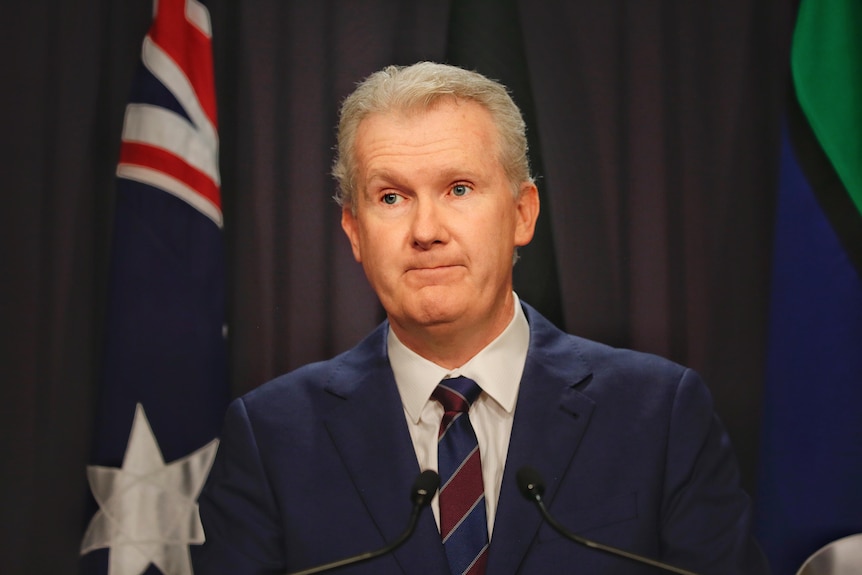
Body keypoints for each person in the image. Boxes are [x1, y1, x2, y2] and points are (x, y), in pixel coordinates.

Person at [193, 62, 769, 574]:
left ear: (522, 214)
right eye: (391, 197)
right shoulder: (271, 437)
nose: (425, 231)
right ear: (354, 232)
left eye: (459, 188)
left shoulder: (659, 415)